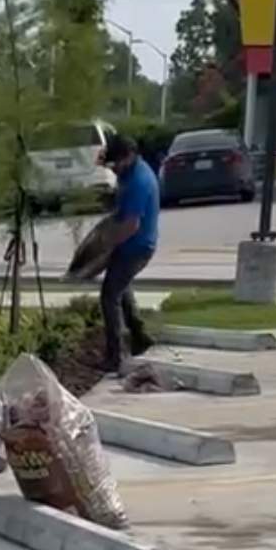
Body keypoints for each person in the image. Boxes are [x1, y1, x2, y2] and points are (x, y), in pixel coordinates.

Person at [98, 133, 159, 376]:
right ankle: (140, 336)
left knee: (109, 296)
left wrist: (107, 245)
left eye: (117, 163)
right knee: (122, 290)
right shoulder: (132, 170)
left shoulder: (139, 182)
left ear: (130, 156)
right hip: (132, 245)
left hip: (137, 247)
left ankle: (117, 355)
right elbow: (110, 164)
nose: (115, 168)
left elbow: (131, 225)